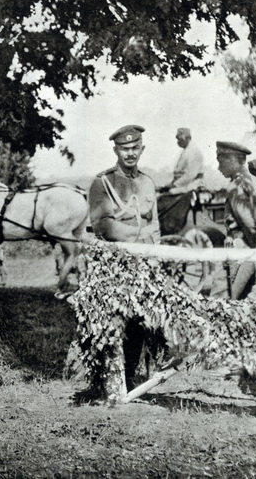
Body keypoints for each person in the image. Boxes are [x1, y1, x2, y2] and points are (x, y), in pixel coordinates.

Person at [88, 125, 161, 390]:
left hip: (144, 265)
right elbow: (103, 225)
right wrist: (139, 237)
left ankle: (130, 376)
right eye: (124, 148)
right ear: (116, 150)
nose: (130, 153)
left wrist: (156, 256)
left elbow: (156, 226)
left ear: (142, 148)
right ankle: (108, 380)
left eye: (134, 148)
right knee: (114, 324)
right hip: (114, 265)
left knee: (141, 323)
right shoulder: (102, 183)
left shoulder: (148, 182)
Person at [216, 141, 256, 300]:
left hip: (245, 253)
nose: (219, 168)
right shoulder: (255, 181)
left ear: (232, 160)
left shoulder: (236, 186)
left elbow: (252, 227)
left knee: (234, 300)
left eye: (221, 161)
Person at [157, 128, 205, 235]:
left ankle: (170, 227)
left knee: (164, 198)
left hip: (191, 185)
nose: (178, 142)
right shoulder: (187, 150)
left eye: (180, 139)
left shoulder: (193, 151)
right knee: (161, 196)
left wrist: (173, 185)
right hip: (184, 184)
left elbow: (190, 175)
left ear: (187, 138)